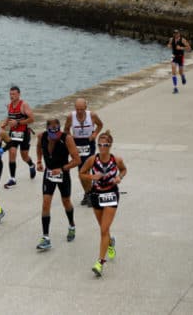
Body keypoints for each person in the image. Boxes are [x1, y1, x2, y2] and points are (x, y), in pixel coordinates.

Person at [79, 130, 127, 277]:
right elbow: (81, 173)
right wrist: (92, 176)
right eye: (100, 144)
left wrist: (119, 177)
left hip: (111, 194)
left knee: (103, 229)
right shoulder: (92, 160)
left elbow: (124, 170)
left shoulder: (116, 160)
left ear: (110, 145)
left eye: (105, 144)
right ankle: (111, 242)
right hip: (96, 195)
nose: (102, 147)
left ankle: (100, 262)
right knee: (103, 228)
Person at [35, 118, 81, 251]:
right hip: (49, 174)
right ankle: (46, 237)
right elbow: (38, 147)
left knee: (66, 201)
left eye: (56, 134)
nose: (54, 137)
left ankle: (71, 226)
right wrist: (39, 161)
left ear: (59, 130)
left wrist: (62, 169)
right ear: (47, 130)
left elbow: (77, 160)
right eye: (51, 134)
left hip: (62, 173)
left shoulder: (67, 139)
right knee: (45, 203)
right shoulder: (42, 136)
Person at [64, 98, 104, 207]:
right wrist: (70, 138)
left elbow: (100, 125)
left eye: (81, 109)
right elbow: (66, 129)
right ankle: (88, 193)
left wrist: (95, 134)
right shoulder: (70, 117)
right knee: (81, 173)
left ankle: (90, 194)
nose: (79, 111)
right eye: (77, 109)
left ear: (85, 108)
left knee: (85, 170)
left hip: (88, 142)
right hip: (77, 144)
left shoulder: (92, 115)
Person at [1, 86, 37, 188]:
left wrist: (17, 122)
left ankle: (31, 164)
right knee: (12, 153)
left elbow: (32, 119)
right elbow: (9, 116)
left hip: (24, 133)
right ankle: (12, 179)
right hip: (13, 134)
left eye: (14, 94)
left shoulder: (24, 105)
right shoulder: (9, 105)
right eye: (10, 94)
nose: (11, 96)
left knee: (24, 156)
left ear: (19, 94)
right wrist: (4, 124)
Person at [167, 29, 191, 94]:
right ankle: (175, 87)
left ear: (179, 34)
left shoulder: (183, 40)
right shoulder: (171, 39)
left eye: (177, 33)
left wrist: (181, 48)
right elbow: (169, 45)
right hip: (174, 56)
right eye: (174, 33)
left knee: (180, 72)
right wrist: (169, 46)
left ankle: (182, 76)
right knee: (173, 71)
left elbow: (189, 48)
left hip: (180, 57)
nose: (176, 35)